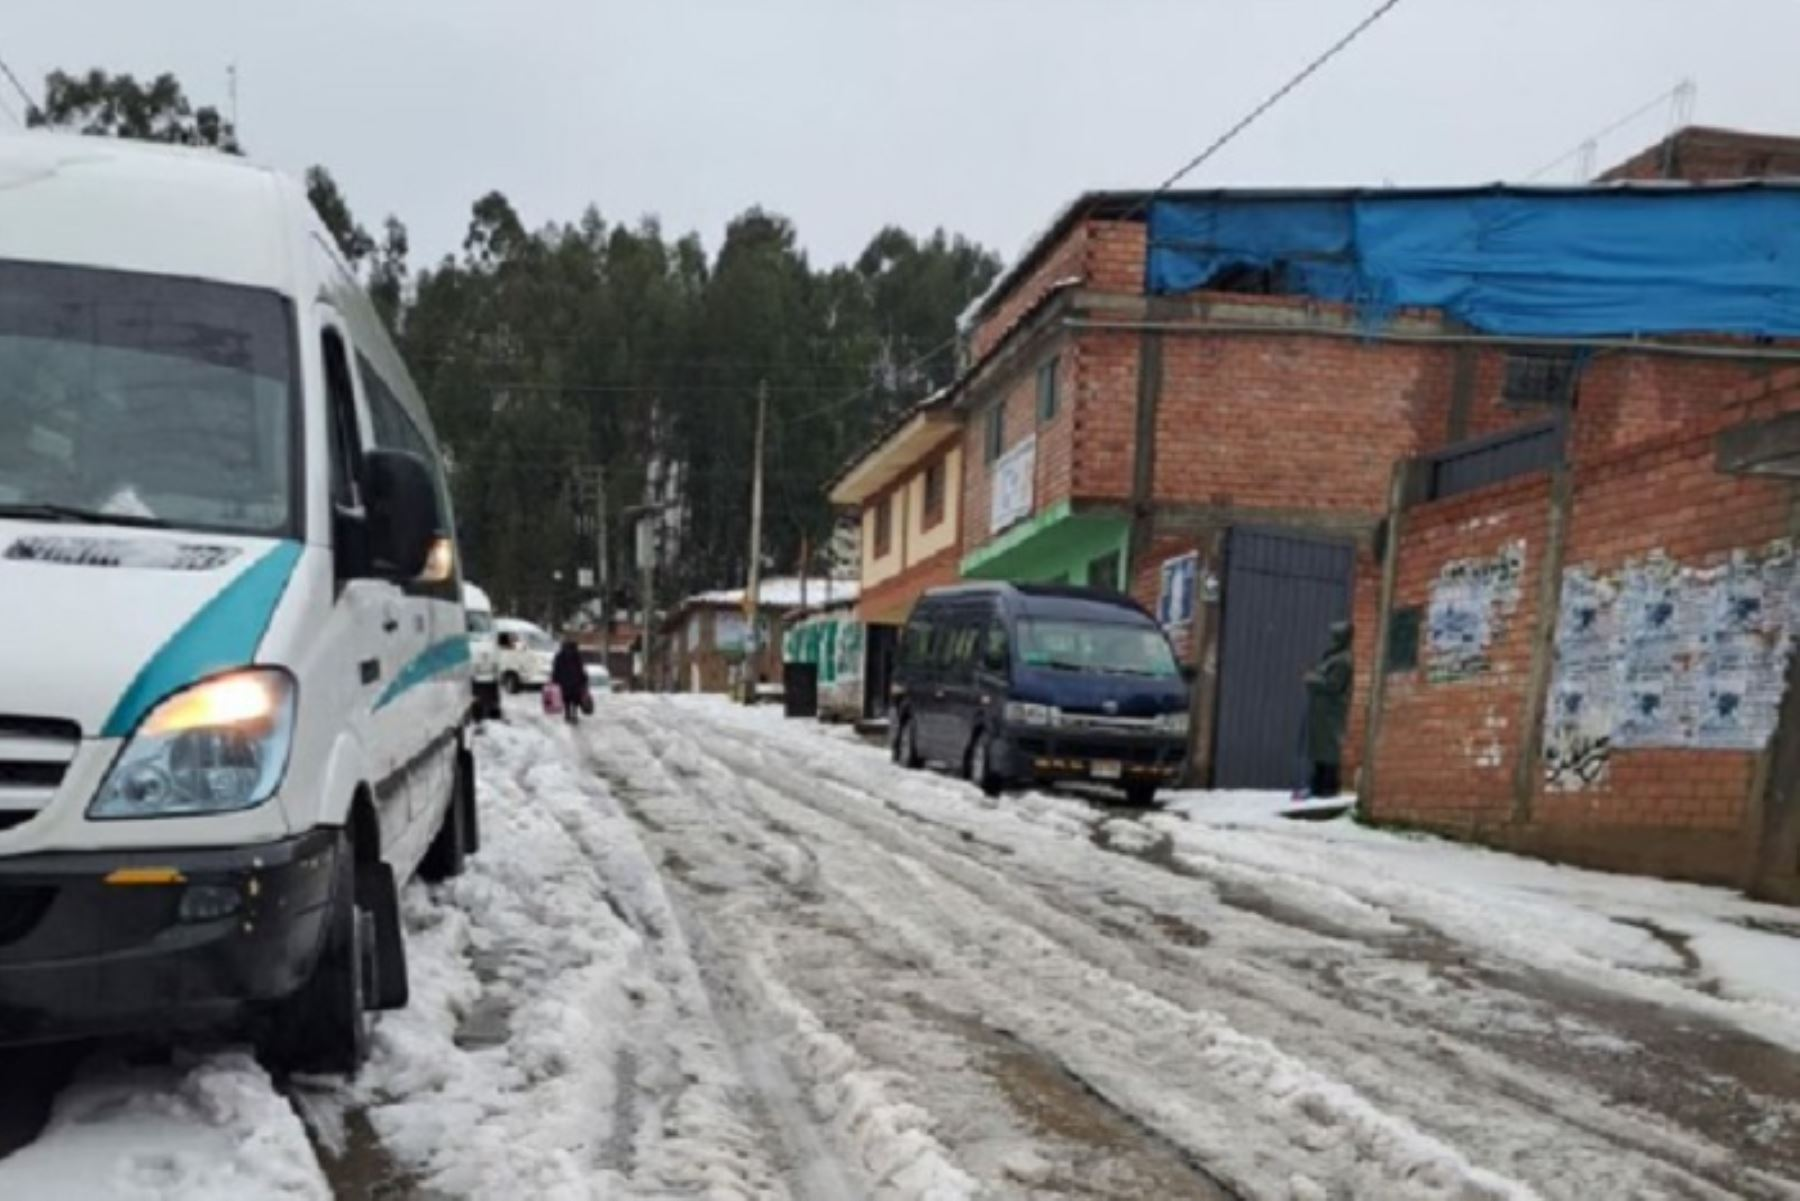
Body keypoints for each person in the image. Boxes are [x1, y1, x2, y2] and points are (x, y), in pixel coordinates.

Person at [1303, 621, 1354, 798]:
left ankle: (1327, 787)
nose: (1333, 638)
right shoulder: (1332, 657)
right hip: (1321, 712)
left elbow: (1334, 685)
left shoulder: (1343, 660)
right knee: (1319, 750)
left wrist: (1312, 680)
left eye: (1337, 635)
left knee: (1328, 750)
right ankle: (1317, 785)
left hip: (1331, 713)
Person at [551, 638, 592, 727]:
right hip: (576, 682)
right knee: (575, 699)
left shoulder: (559, 656)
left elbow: (556, 669)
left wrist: (554, 679)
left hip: (563, 682)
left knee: (566, 699)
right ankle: (574, 715)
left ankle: (567, 715)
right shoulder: (577, 655)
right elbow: (580, 669)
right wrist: (584, 679)